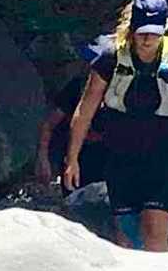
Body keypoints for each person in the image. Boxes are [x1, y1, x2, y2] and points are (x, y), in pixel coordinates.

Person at [63, 0, 168, 252]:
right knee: (126, 241)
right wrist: (72, 158)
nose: (147, 39)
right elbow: (86, 108)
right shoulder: (111, 58)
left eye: (154, 32)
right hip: (120, 158)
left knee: (155, 237)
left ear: (164, 29)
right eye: (142, 32)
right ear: (132, 28)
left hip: (163, 158)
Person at [34, 34, 114, 187]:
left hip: (112, 159)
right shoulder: (76, 88)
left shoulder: (124, 90)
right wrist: (43, 158)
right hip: (79, 157)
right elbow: (49, 125)